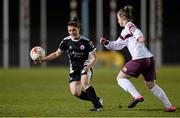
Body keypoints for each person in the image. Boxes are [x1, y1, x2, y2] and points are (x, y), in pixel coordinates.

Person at [100, 5, 176, 112]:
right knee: (151, 85)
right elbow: (118, 45)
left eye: (118, 18)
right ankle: (169, 106)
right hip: (149, 59)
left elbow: (135, 30)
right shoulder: (124, 32)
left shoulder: (128, 25)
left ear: (123, 18)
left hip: (139, 59)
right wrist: (107, 43)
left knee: (120, 78)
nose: (118, 21)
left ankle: (136, 96)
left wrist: (140, 36)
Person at [34, 16, 103, 111]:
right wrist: (42, 60)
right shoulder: (66, 41)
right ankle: (97, 100)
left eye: (74, 30)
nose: (72, 32)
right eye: (69, 30)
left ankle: (97, 106)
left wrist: (88, 67)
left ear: (78, 29)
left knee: (85, 83)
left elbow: (94, 57)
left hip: (86, 66)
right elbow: (56, 53)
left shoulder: (86, 41)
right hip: (74, 69)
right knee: (75, 92)